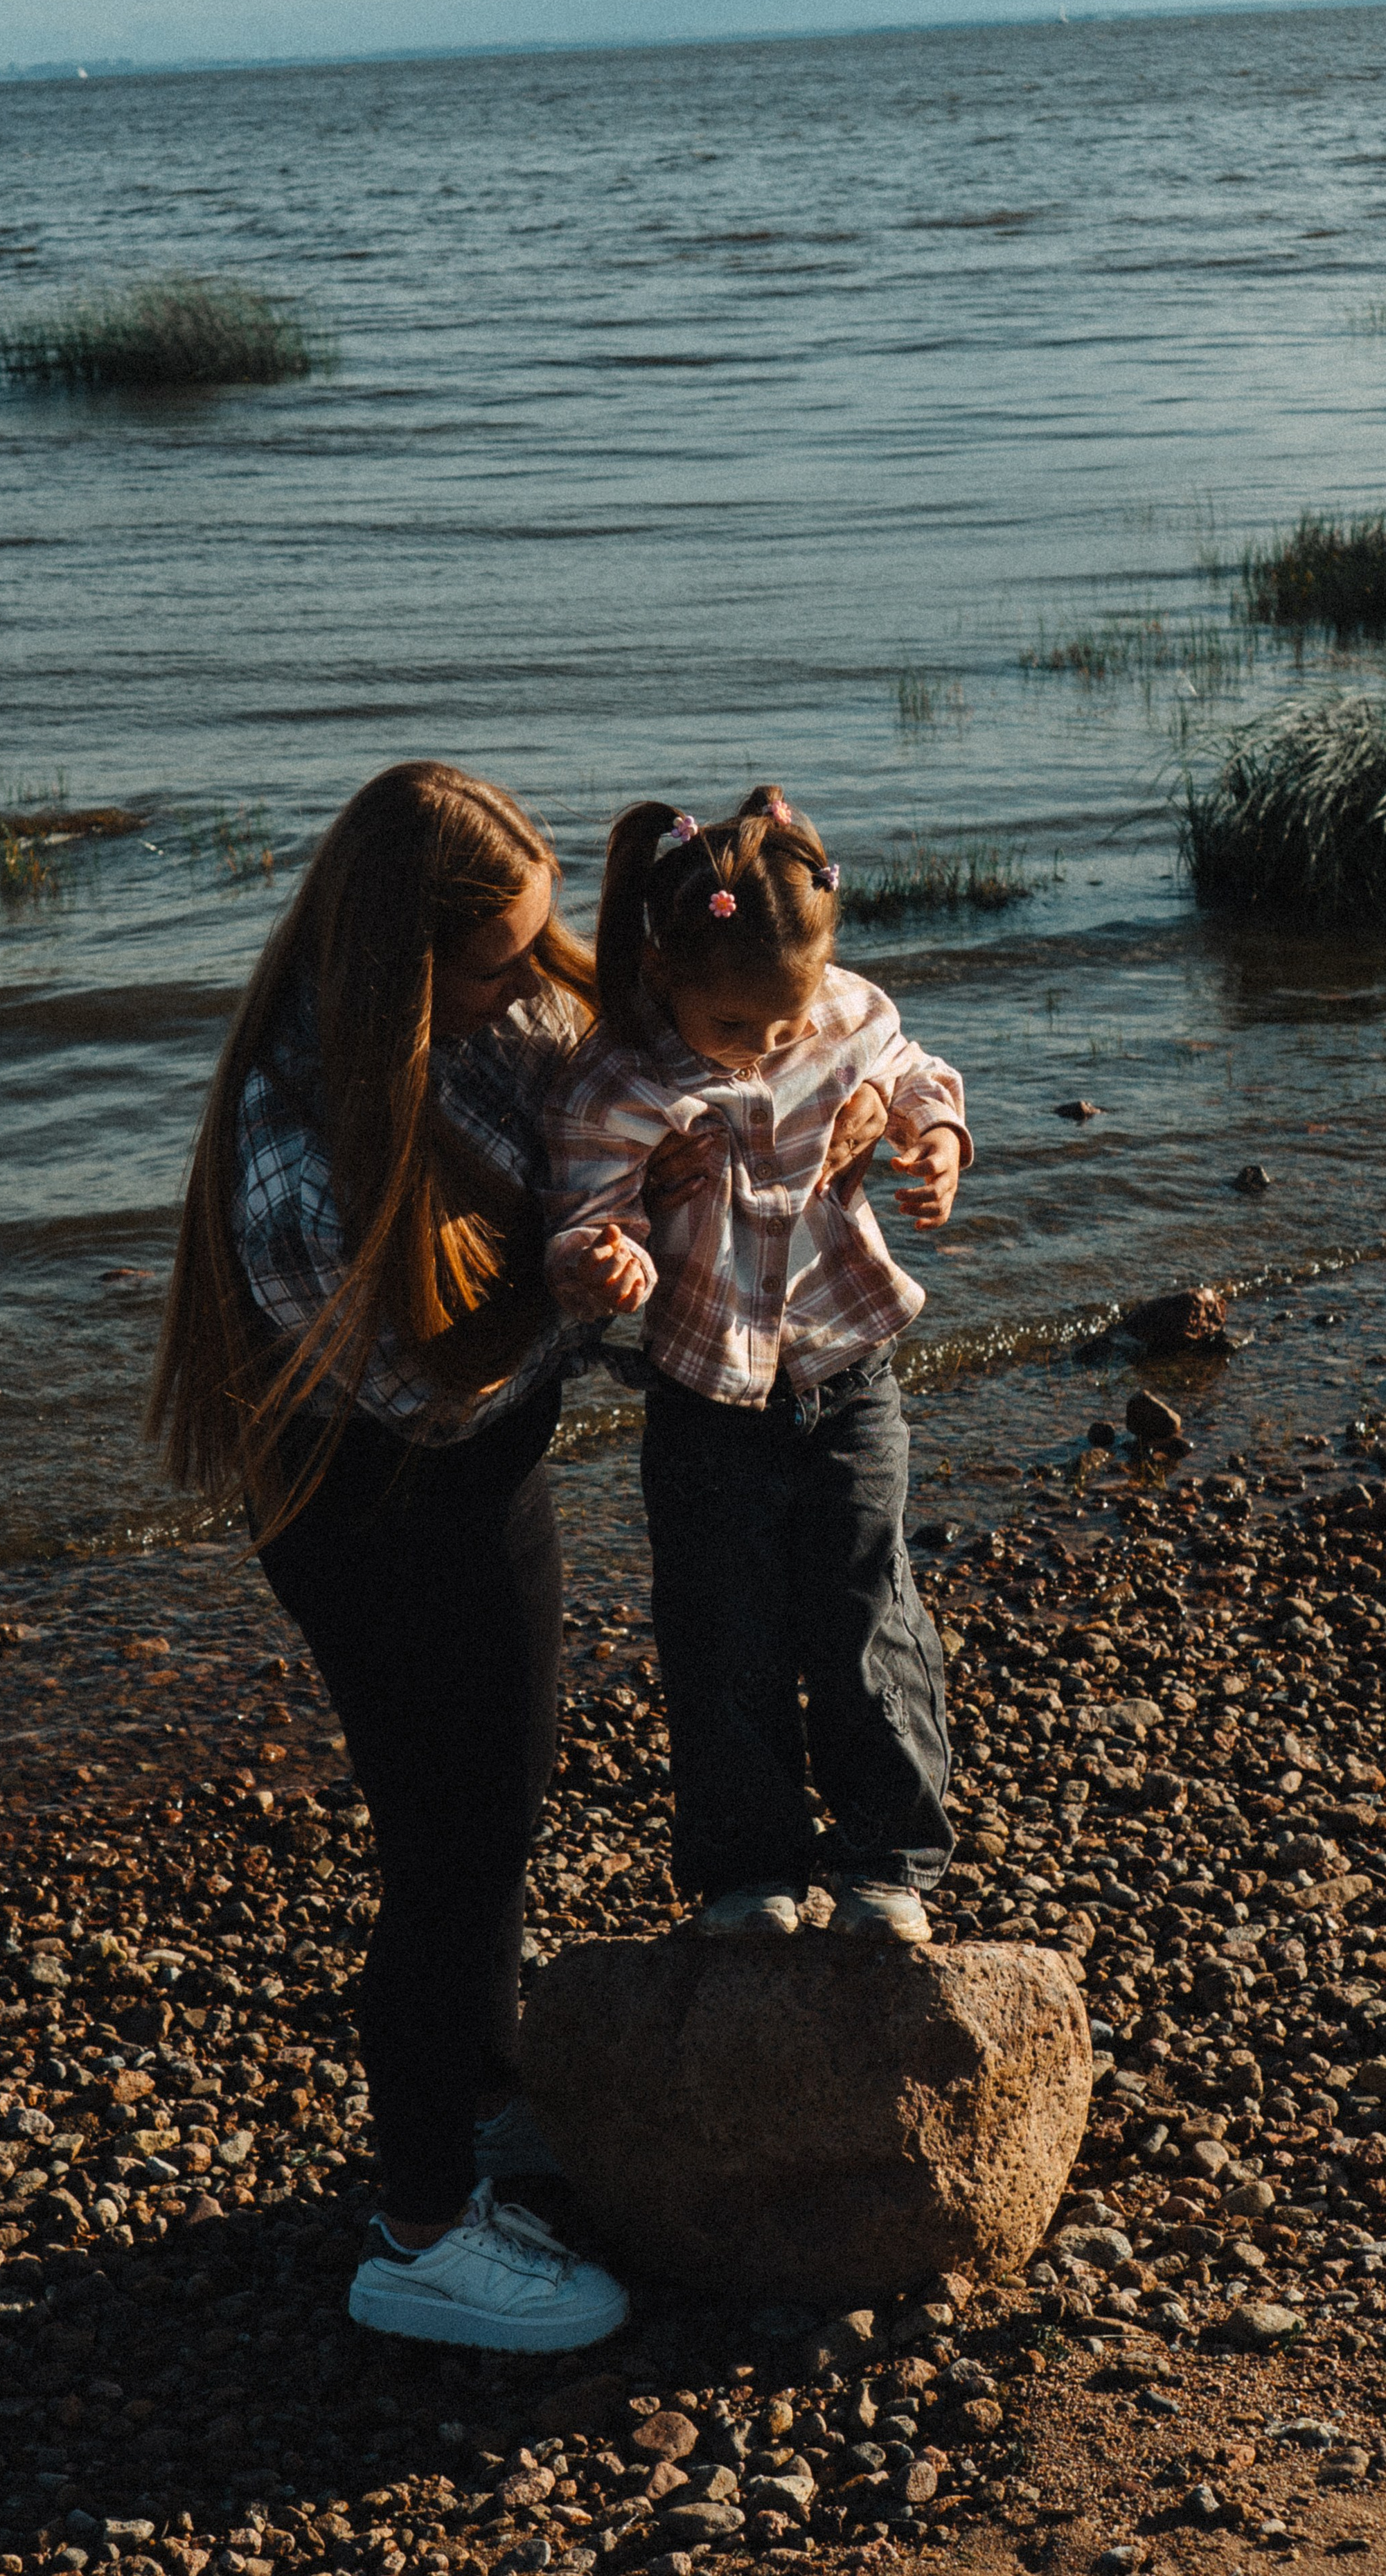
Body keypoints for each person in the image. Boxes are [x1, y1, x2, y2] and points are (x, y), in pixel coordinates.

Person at [148, 760, 885, 2349]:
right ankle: (418, 2231)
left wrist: (686, 1171)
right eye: (497, 962)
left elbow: (634, 1084)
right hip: (364, 1504)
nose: (530, 987)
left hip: (483, 1472)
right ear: (402, 969)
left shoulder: (494, 1029)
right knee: (450, 1847)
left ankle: (483, 2108)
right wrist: (575, 1287)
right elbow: (427, 1382)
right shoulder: (298, 1143)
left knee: (505, 1799)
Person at [542, 786, 970, 1944]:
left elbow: (914, 1063)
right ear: (663, 975)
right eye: (736, 1030)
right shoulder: (620, 1084)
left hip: (850, 1365)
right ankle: (750, 1870)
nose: (771, 1046)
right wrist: (606, 1258)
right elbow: (587, 1217)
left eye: (785, 1024)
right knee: (719, 1626)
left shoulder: (835, 1011)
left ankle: (889, 1859)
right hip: (702, 1391)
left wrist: (929, 1136)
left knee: (867, 1602)